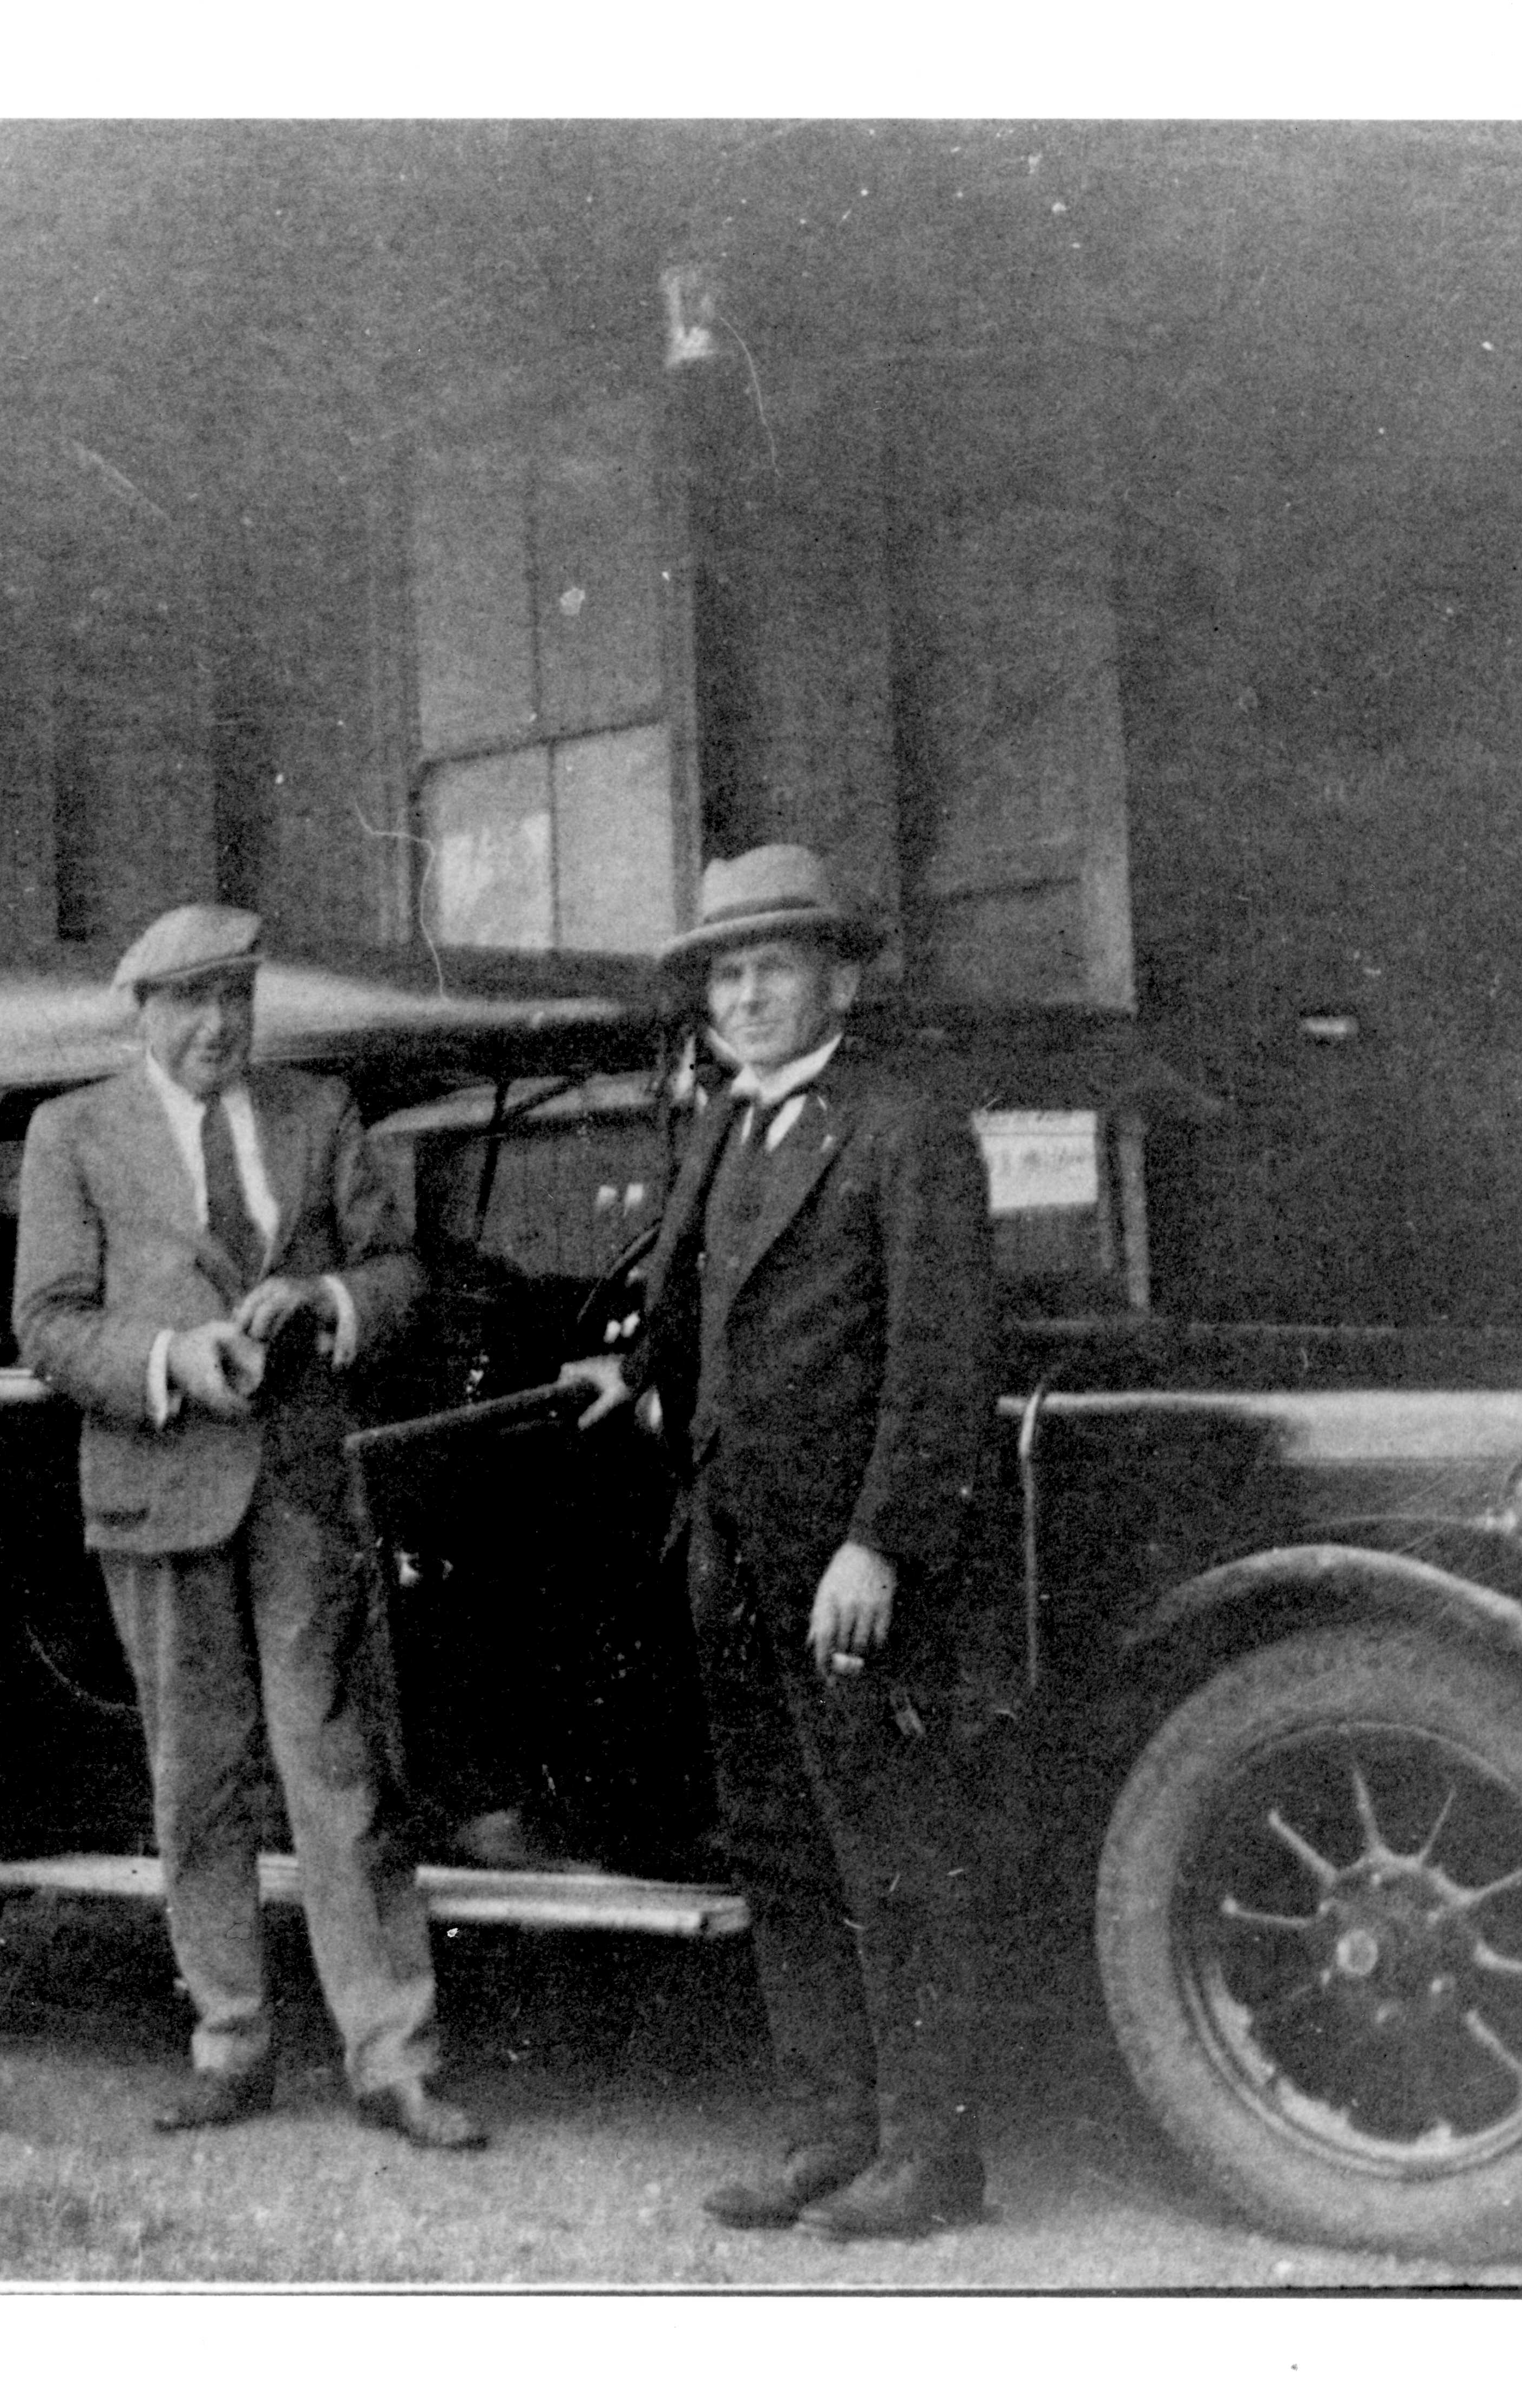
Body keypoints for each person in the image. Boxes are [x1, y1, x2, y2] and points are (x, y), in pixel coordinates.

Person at [568, 843, 1004, 2240]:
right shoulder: (725, 1124)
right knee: (779, 1847)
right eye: (726, 972)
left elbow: (943, 1360)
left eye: (771, 966)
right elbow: (702, 1308)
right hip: (733, 1548)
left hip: (846, 1568)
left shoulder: (902, 1122)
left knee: (891, 1845)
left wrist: (878, 1543)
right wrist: (637, 1377)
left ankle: (931, 2156)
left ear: (838, 974)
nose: (746, 995)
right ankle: (826, 2136)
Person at [11, 904, 480, 2150]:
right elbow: (49, 1322)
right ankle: (230, 2041)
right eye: (191, 1001)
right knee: (196, 1778)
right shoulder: (72, 1135)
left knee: (337, 1770)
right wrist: (171, 1357)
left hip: (299, 1489)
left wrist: (324, 1298)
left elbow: (402, 1272)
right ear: (144, 1011)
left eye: (237, 998)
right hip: (159, 1486)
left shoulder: (317, 1114)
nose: (218, 1024)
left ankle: (393, 2056)